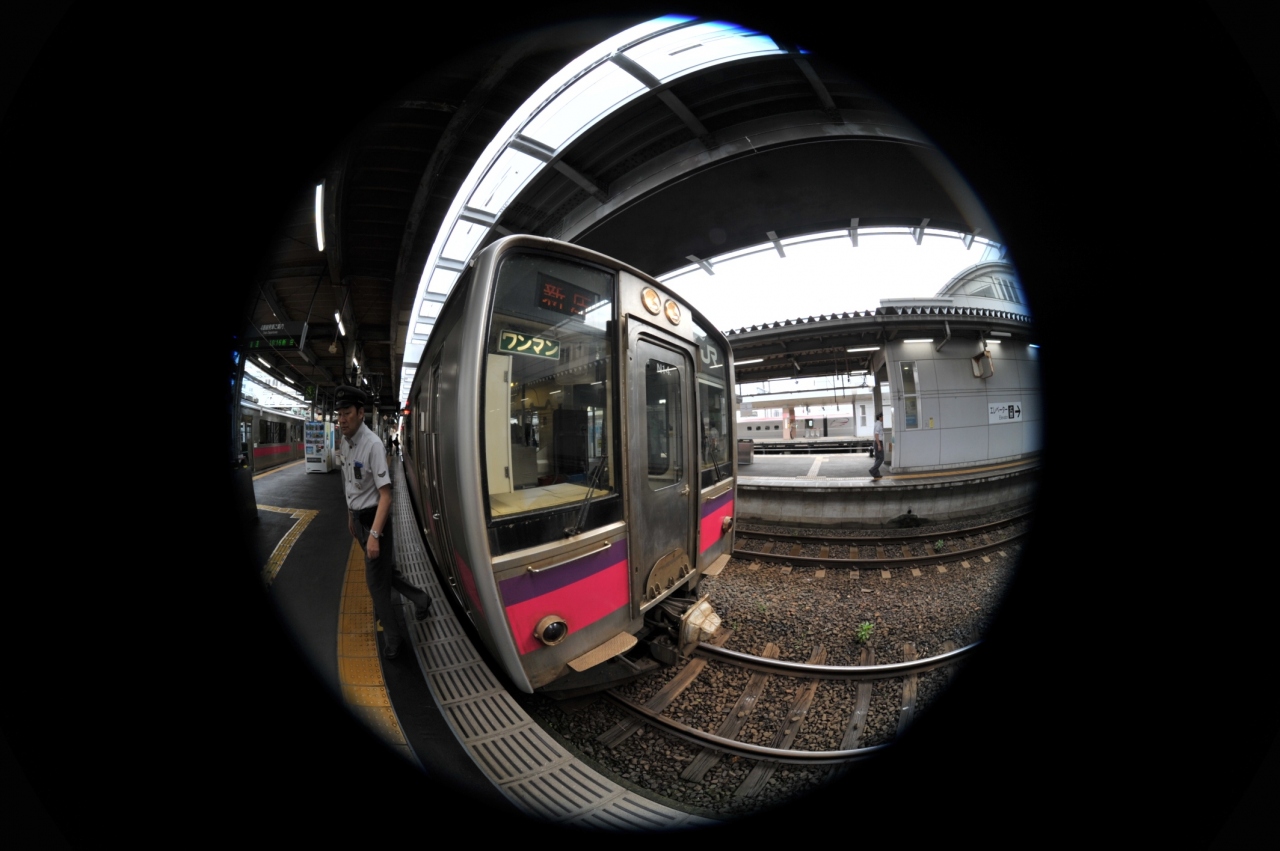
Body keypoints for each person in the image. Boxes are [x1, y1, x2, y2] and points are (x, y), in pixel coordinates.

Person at [334, 385, 432, 660]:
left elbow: (386, 496)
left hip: (375, 522)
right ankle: (422, 599)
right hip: (360, 520)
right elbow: (349, 482)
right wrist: (350, 514)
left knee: (377, 586)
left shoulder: (373, 445)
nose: (342, 419)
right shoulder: (345, 442)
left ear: (360, 413)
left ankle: (394, 639)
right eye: (339, 414)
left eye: (347, 413)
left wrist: (375, 535)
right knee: (385, 573)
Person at [868, 412, 885, 480]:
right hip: (878, 442)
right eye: (882, 417)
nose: (883, 418)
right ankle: (872, 470)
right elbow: (876, 435)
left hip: (877, 442)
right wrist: (879, 445)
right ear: (880, 417)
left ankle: (876, 474)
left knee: (877, 458)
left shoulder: (878, 424)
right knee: (881, 458)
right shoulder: (878, 425)